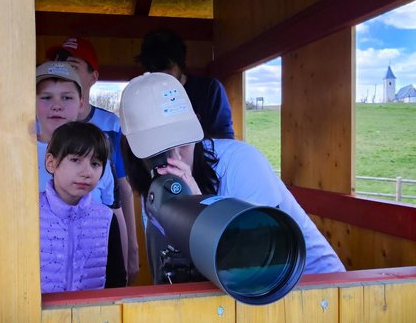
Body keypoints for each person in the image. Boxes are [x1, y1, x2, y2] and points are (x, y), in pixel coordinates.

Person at [119, 72, 345, 284]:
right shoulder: (156, 188)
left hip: (314, 287)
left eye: (185, 143)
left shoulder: (241, 162)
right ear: (134, 151)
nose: (176, 158)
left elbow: (260, 258)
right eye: (159, 152)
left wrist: (198, 212)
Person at [46, 37, 139, 283]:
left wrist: (131, 251)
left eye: (73, 66)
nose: (64, 71)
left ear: (93, 77)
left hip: (95, 243)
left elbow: (121, 192)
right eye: (59, 63)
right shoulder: (35, 128)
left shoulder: (111, 126)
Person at [40, 121, 127, 292]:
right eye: (75, 160)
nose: (86, 173)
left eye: (95, 163)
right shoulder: (30, 213)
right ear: (51, 163)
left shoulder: (106, 219)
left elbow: (116, 281)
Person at [36, 61, 114, 206]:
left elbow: (113, 211)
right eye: (46, 97)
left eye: (67, 97)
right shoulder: (17, 156)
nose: (57, 106)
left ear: (81, 103)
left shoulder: (97, 154)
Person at [136, 28, 235, 139]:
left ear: (181, 64)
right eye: (157, 70)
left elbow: (225, 140)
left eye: (168, 68)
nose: (163, 75)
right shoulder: (146, 97)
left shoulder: (209, 90)